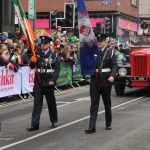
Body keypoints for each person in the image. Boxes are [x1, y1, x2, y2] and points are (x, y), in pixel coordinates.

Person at [85, 33, 117, 134]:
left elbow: (114, 66)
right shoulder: (93, 52)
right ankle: (91, 126)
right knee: (94, 104)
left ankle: (108, 123)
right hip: (95, 81)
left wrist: (112, 76)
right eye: (98, 41)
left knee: (107, 103)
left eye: (101, 41)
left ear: (105, 42)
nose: (99, 43)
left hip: (106, 81)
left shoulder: (110, 53)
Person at [27, 36, 60, 131]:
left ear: (49, 44)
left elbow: (57, 69)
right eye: (41, 43)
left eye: (44, 44)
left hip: (48, 82)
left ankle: (54, 120)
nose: (43, 45)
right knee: (37, 103)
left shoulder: (54, 55)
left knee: (51, 102)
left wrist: (53, 80)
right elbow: (32, 67)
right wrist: (32, 62)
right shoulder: (36, 53)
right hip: (38, 81)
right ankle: (34, 124)